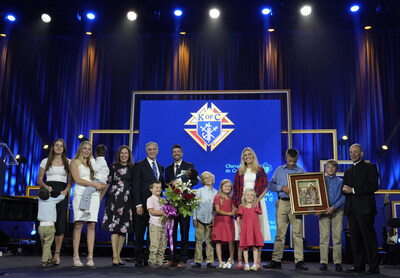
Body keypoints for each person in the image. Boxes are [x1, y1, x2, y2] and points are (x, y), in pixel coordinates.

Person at [264, 148, 308, 270]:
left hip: (296, 204)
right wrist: (282, 187)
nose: (292, 163)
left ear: (297, 159)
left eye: (294, 161)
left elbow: (304, 189)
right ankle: (276, 260)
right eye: (290, 161)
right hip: (282, 202)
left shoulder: (300, 171)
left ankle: (299, 261)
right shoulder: (279, 170)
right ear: (285, 158)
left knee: (297, 234)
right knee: (280, 234)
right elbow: (270, 186)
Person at [342, 143, 379, 274]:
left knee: (368, 238)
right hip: (352, 210)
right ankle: (359, 266)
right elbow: (345, 191)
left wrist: (353, 190)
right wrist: (344, 191)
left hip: (365, 209)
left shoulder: (371, 167)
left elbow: (373, 186)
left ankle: (374, 267)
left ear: (361, 153)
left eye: (355, 152)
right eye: (351, 152)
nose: (352, 154)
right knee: (355, 239)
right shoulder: (348, 171)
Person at [232, 147, 270, 269]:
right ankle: (240, 260)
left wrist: (257, 201)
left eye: (249, 154)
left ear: (253, 156)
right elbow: (236, 189)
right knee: (241, 232)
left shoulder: (260, 170)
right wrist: (238, 204)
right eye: (245, 155)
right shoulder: (239, 171)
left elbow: (264, 187)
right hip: (242, 203)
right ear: (243, 158)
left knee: (258, 231)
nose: (247, 156)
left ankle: (258, 260)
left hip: (257, 202)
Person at [37, 138, 72, 265]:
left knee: (60, 222)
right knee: (46, 223)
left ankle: (57, 254)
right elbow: (40, 179)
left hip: (61, 192)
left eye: (61, 146)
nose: (58, 147)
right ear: (53, 147)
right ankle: (46, 253)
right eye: (56, 145)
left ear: (64, 148)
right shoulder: (45, 161)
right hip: (47, 192)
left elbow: (71, 181)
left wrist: (66, 190)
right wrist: (46, 187)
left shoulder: (69, 162)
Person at [70, 141, 106, 267]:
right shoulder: (74, 162)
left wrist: (100, 186)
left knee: (91, 225)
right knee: (78, 224)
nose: (87, 151)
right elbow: (77, 179)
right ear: (80, 149)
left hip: (94, 195)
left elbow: (102, 176)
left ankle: (90, 256)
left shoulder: (93, 163)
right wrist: (94, 184)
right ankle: (76, 255)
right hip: (80, 194)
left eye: (89, 149)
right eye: (84, 148)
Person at [164, 144, 198, 267]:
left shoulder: (189, 166)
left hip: (184, 203)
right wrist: (170, 185)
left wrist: (181, 182)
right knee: (171, 232)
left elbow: (195, 181)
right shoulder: (167, 169)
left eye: (178, 151)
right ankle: (172, 257)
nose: (176, 153)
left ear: (182, 153)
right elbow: (165, 185)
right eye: (174, 152)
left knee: (184, 231)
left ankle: (183, 258)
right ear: (172, 154)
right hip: (172, 205)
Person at [133, 142, 165, 267]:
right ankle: (139, 258)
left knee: (153, 234)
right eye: (149, 150)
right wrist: (138, 204)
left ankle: (148, 258)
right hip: (142, 206)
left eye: (154, 149)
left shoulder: (160, 167)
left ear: (157, 151)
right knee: (140, 233)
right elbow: (136, 186)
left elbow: (161, 187)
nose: (152, 151)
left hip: (156, 208)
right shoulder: (139, 165)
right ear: (146, 151)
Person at [102, 145, 134, 266]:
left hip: (127, 200)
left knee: (123, 229)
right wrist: (100, 197)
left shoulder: (132, 168)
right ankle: (114, 256)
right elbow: (107, 183)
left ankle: (118, 255)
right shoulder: (113, 167)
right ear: (119, 155)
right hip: (114, 199)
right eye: (122, 153)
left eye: (126, 153)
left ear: (129, 155)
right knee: (114, 227)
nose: (124, 155)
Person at [317, 159, 345, 272]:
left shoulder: (341, 181)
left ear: (336, 169)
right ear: (325, 169)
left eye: (333, 166)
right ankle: (323, 262)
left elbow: (343, 197)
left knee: (337, 238)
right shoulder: (320, 180)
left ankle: (337, 262)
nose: (331, 168)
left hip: (337, 211)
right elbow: (316, 195)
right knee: (324, 237)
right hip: (324, 212)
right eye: (328, 166)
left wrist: (333, 207)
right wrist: (318, 208)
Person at [192, 171, 218, 269]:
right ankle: (198, 261)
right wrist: (194, 218)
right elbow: (194, 206)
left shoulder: (216, 192)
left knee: (209, 240)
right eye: (205, 178)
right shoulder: (199, 191)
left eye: (210, 177)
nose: (208, 179)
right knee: (198, 240)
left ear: (213, 179)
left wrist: (214, 217)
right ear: (202, 181)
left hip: (210, 219)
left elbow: (216, 207)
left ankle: (210, 261)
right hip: (199, 219)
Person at [37, 186, 66, 267]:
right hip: (49, 226)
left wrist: (46, 190)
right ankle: (44, 261)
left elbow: (40, 195)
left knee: (44, 244)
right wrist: (62, 194)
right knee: (47, 244)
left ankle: (50, 258)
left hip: (41, 226)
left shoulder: (40, 200)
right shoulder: (53, 200)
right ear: (49, 195)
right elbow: (61, 197)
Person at [236, 188, 264, 271]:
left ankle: (255, 264)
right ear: (244, 196)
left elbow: (259, 218)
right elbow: (238, 218)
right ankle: (247, 264)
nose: (249, 197)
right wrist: (240, 228)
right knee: (245, 248)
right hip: (246, 230)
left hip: (254, 230)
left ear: (254, 197)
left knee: (255, 247)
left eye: (251, 195)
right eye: (247, 195)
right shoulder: (241, 207)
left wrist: (258, 229)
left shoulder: (256, 206)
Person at [79, 144, 109, 215]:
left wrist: (92, 160)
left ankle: (85, 209)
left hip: (98, 181)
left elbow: (96, 169)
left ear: (96, 153)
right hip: (100, 181)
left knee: (87, 191)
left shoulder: (100, 160)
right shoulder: (103, 161)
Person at [212, 179, 236, 269]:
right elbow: (218, 210)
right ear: (221, 187)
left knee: (231, 241)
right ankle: (220, 261)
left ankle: (231, 259)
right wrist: (229, 213)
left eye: (229, 186)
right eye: (226, 186)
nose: (228, 188)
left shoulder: (231, 198)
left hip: (228, 222)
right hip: (219, 221)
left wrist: (234, 211)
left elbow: (234, 210)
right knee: (218, 241)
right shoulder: (217, 197)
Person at [146, 181, 167, 268]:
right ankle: (152, 261)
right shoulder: (150, 199)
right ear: (151, 189)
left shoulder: (163, 200)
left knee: (163, 244)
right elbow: (151, 211)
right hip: (155, 225)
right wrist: (162, 213)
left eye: (160, 187)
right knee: (155, 244)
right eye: (156, 188)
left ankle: (160, 261)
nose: (159, 189)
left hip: (163, 225)